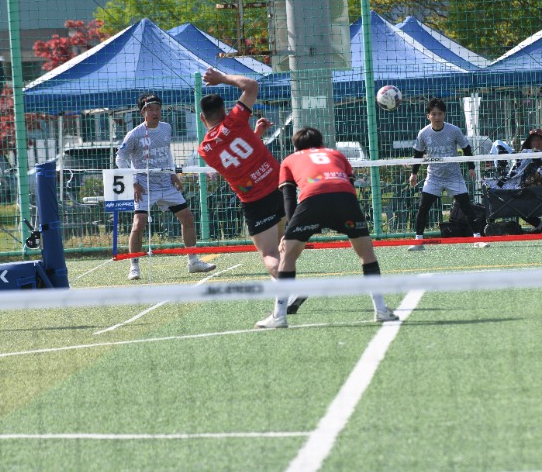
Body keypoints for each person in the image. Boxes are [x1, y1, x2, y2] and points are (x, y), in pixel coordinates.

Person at [255, 126, 399, 329]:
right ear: (321, 143)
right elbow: (348, 187)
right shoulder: (337, 154)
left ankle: (279, 316)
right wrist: (351, 220)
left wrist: (290, 232)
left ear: (296, 147)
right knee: (366, 253)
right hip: (345, 200)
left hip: (312, 201)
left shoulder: (289, 160)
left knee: (288, 256)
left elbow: (288, 197)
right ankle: (381, 309)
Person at [198, 68, 288, 287]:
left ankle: (289, 285)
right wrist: (221, 78)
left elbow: (234, 159)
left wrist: (253, 135)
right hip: (279, 187)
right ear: (225, 110)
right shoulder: (235, 121)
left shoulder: (205, 150)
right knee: (281, 244)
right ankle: (283, 289)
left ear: (202, 118)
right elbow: (250, 85)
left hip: (255, 200)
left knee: (269, 253)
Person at [117, 93, 216, 280]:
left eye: (158, 109)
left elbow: (167, 153)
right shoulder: (134, 134)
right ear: (143, 112)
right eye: (151, 109)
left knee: (187, 217)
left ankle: (193, 261)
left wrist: (172, 173)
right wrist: (134, 181)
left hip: (166, 183)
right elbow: (120, 158)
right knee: (139, 223)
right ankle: (134, 266)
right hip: (145, 185)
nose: (155, 113)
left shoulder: (166, 128)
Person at [407, 98, 489, 251]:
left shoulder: (454, 130)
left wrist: (471, 167)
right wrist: (414, 173)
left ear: (444, 114)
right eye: (433, 114)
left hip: (453, 176)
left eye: (440, 114)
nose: (437, 117)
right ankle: (418, 241)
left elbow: (466, 148)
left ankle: (477, 239)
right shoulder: (424, 133)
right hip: (434, 177)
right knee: (423, 207)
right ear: (428, 116)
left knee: (467, 207)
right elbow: (418, 154)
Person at [501, 128, 542, 233]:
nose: (537, 143)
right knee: (516, 203)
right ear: (529, 143)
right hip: (527, 195)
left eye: (540, 140)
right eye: (534, 140)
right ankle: (541, 226)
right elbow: (512, 175)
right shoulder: (522, 158)